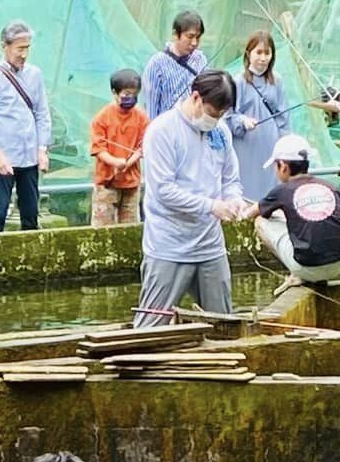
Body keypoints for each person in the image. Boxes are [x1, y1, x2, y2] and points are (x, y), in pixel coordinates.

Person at [138, 68, 254, 323]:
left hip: (210, 245)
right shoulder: (162, 131)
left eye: (222, 115)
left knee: (222, 323)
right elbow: (163, 191)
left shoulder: (220, 132)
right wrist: (211, 206)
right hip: (169, 244)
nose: (215, 120)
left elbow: (230, 178)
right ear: (196, 98)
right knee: (151, 324)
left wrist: (233, 199)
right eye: (213, 113)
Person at [0, 21, 51, 234]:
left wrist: (42, 149)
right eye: (20, 49)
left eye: (27, 48)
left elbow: (42, 113)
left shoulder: (35, 75)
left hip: (29, 156)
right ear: (5, 46)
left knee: (30, 214)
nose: (24, 54)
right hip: (3, 157)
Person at [255, 136, 340, 286]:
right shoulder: (330, 187)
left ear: (283, 166)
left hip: (306, 267)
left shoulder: (281, 191)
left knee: (260, 221)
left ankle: (295, 274)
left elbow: (251, 212)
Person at [231, 30, 288, 202]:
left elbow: (283, 117)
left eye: (267, 53)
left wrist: (284, 144)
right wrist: (242, 120)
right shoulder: (238, 81)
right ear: (249, 54)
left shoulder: (277, 81)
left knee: (271, 187)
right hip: (245, 146)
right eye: (259, 52)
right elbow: (228, 115)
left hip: (271, 145)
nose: (263, 58)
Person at [89, 68, 148, 227]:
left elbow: (143, 146)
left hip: (131, 183)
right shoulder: (102, 117)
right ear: (115, 93)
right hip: (107, 182)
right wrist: (115, 162)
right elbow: (98, 149)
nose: (131, 98)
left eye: (134, 95)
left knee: (130, 228)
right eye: (126, 95)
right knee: (102, 229)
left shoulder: (141, 116)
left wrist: (130, 161)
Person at [142, 9, 209, 121]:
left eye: (198, 37)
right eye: (190, 36)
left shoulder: (200, 59)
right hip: (167, 131)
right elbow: (151, 109)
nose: (194, 43)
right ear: (175, 34)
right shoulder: (157, 64)